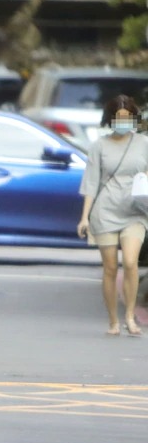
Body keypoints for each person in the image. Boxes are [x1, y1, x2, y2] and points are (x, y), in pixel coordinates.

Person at [77, 94, 148, 336]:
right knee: (110, 268)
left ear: (134, 119)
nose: (123, 122)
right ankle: (113, 320)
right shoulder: (99, 146)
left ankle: (129, 316)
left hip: (135, 210)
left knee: (130, 262)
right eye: (119, 117)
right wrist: (84, 217)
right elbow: (91, 182)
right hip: (105, 211)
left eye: (128, 117)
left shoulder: (144, 143)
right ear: (110, 119)